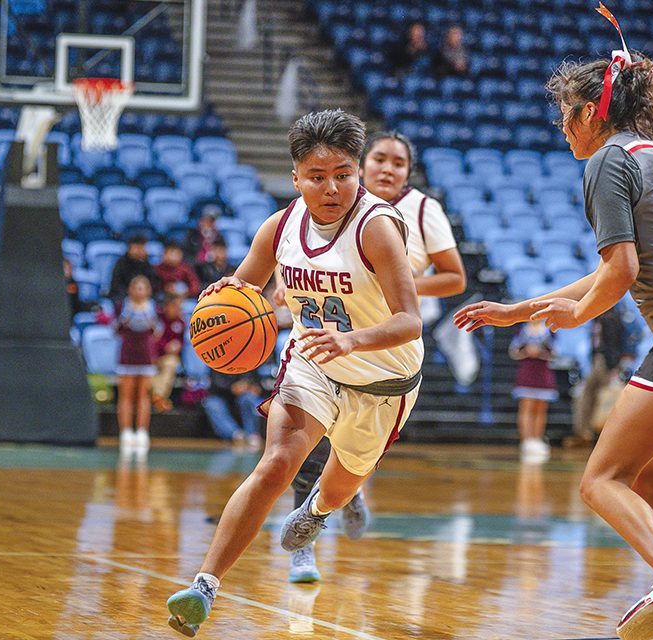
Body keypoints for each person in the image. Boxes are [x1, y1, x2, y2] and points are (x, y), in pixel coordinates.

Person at [453, 27, 653, 640]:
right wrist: (523, 310)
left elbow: (621, 273)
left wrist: (579, 315)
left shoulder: (608, 161)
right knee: (646, 480)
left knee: (601, 480)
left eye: (566, 114)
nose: (562, 127)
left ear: (593, 112)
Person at [165, 109, 424, 636]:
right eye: (317, 176)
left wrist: (351, 339)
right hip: (313, 364)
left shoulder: (375, 229)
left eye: (344, 174)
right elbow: (241, 294)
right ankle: (203, 587)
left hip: (384, 381)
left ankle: (319, 509)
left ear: (357, 172)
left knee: (340, 487)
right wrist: (222, 296)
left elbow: (410, 321)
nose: (332, 187)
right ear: (296, 178)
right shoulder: (280, 227)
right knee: (276, 462)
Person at [281, 129, 467, 584]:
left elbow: (455, 279)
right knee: (301, 449)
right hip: (327, 342)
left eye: (398, 163)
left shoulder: (423, 211)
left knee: (358, 447)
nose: (388, 168)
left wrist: (391, 279)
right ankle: (303, 549)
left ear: (408, 173)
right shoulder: (332, 205)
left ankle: (347, 489)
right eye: (380, 158)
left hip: (387, 349)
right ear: (362, 165)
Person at [114, 275, 162, 463]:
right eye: (137, 287)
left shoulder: (153, 308)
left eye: (143, 287)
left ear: (148, 291)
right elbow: (114, 329)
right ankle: (125, 432)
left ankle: (142, 432)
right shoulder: (122, 306)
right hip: (127, 353)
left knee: (143, 395)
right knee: (126, 394)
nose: (139, 291)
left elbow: (158, 332)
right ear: (131, 290)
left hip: (146, 353)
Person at [569, 304, 630, 446]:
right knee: (590, 394)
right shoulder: (598, 319)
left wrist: (612, 366)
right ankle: (587, 431)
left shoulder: (611, 318)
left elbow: (614, 344)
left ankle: (596, 432)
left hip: (604, 362)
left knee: (598, 395)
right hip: (598, 360)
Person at [509, 319, 557, 463]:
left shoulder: (549, 330)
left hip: (543, 371)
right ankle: (526, 440)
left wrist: (540, 352)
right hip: (527, 371)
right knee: (526, 406)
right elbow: (513, 350)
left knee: (541, 408)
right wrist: (527, 351)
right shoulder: (522, 329)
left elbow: (556, 351)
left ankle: (537, 440)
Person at [201, 369, 263, 448]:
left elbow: (256, 384)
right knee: (211, 404)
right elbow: (215, 384)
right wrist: (232, 388)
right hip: (220, 396)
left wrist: (249, 386)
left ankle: (252, 435)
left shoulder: (248, 360)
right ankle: (236, 435)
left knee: (249, 398)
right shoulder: (217, 362)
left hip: (242, 396)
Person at [151, 292, 186, 413]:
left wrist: (178, 346)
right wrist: (165, 346)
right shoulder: (157, 319)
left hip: (166, 358)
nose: (178, 310)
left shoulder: (181, 322)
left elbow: (182, 342)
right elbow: (152, 340)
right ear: (167, 306)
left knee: (171, 363)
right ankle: (156, 398)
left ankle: (158, 396)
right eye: (175, 307)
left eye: (180, 307)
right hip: (151, 357)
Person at [108, 235, 158, 304]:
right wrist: (132, 294)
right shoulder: (121, 264)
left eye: (141, 248)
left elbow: (152, 284)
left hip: (144, 295)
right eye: (136, 248)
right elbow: (116, 285)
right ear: (129, 249)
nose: (139, 251)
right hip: (124, 296)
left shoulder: (147, 265)